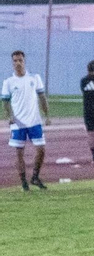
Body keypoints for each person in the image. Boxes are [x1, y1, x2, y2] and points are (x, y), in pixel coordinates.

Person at [3, 49, 49, 190]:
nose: (18, 63)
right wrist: (10, 116)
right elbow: (5, 101)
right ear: (12, 63)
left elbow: (42, 97)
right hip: (18, 123)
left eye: (20, 60)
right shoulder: (9, 82)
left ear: (24, 61)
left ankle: (35, 177)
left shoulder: (34, 78)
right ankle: (23, 181)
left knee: (41, 149)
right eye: (15, 61)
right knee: (19, 152)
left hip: (34, 121)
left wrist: (47, 115)